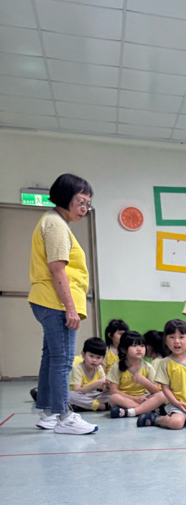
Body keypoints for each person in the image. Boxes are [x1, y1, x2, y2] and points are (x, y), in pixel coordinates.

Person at [28, 172, 98, 435]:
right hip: (56, 302)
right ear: (65, 197)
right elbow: (57, 269)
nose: (84, 208)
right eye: (80, 202)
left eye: (88, 204)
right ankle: (64, 416)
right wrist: (70, 308)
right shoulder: (56, 225)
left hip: (47, 300)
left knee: (51, 357)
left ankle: (48, 412)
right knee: (63, 360)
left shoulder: (52, 221)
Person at [107, 331, 167, 425]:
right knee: (113, 398)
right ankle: (148, 409)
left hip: (144, 397)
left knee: (163, 395)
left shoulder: (148, 367)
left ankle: (130, 411)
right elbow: (113, 390)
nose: (139, 349)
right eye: (134, 346)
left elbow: (156, 390)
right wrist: (135, 398)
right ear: (123, 349)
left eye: (142, 346)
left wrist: (145, 382)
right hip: (126, 398)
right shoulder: (117, 367)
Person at [68, 336, 110, 412]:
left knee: (112, 394)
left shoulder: (99, 368)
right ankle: (101, 407)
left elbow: (103, 389)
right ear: (83, 354)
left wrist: (108, 385)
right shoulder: (77, 368)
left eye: (98, 357)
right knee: (70, 395)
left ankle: (84, 406)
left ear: (103, 358)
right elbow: (77, 390)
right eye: (91, 356)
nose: (94, 360)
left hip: (93, 396)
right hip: (81, 395)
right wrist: (95, 385)